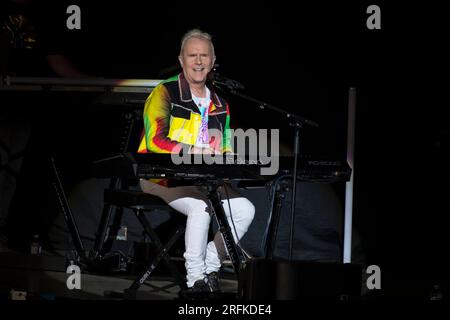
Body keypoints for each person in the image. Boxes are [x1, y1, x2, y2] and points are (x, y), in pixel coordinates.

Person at [137, 29, 255, 294]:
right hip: (160, 177)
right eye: (192, 55)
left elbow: (222, 148)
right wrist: (197, 151)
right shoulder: (165, 92)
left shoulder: (221, 104)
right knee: (201, 206)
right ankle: (195, 282)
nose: (198, 61)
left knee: (245, 209)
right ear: (181, 60)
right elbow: (156, 140)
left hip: (201, 180)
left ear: (213, 62)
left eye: (204, 56)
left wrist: (230, 159)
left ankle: (211, 266)